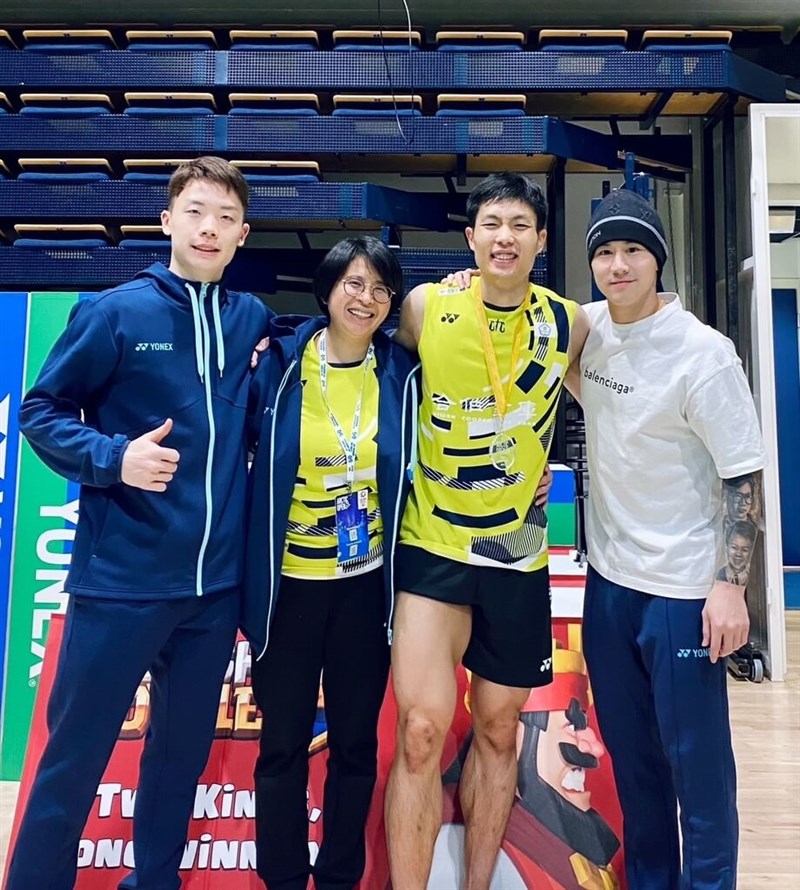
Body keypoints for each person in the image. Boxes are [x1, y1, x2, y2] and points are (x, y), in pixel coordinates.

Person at [7, 156, 273, 890]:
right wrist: (113, 457)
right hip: (120, 585)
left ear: (243, 233)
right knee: (74, 761)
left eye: (225, 216)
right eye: (195, 210)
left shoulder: (248, 317)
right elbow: (40, 411)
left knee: (177, 762)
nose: (210, 226)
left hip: (211, 595)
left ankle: (152, 882)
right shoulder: (115, 312)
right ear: (167, 221)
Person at [386, 172, 590, 890]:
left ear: (540, 239)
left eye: (520, 225)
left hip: (518, 556)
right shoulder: (424, 306)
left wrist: (555, 472)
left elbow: (616, 408)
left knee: (501, 732)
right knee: (420, 731)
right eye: (492, 224)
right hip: (433, 544)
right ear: (470, 238)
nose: (506, 237)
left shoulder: (571, 323)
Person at [575, 188, 766, 890]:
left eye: (631, 250)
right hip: (609, 585)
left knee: (698, 770)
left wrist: (729, 585)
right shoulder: (586, 331)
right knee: (633, 762)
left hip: (683, 590)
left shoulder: (703, 353)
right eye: (603, 251)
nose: (617, 264)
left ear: (657, 259)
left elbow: (743, 476)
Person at [241, 236, 419, 890]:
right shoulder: (279, 366)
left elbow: (449, 452)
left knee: (355, 747)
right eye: (353, 283)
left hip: (364, 592)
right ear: (327, 290)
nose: (365, 297)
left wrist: (524, 479)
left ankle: (339, 876)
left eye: (379, 288)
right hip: (287, 591)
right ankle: (283, 879)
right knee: (281, 747)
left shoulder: (403, 373)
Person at [430, 643, 621, 890]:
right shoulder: (449, 845)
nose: (595, 748)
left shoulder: (557, 845)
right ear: (516, 735)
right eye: (573, 727)